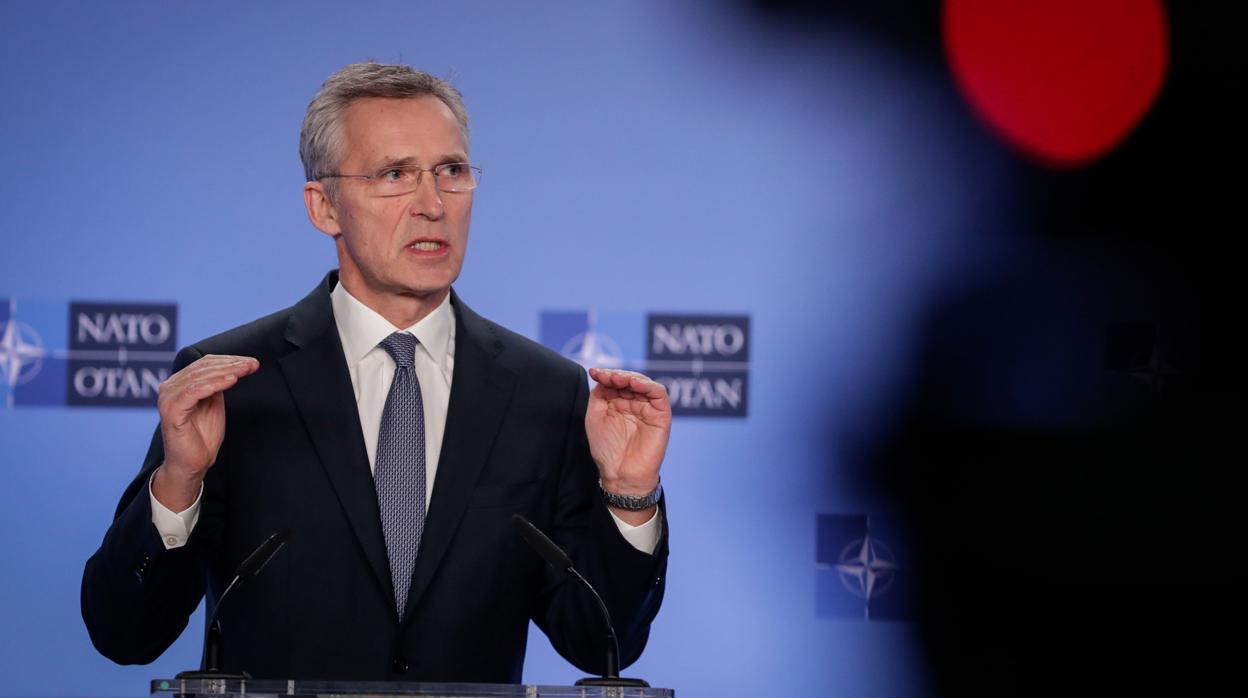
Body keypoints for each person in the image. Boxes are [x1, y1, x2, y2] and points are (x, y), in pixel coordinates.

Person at [81, 61, 670, 682]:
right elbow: (126, 633)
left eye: (451, 171)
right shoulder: (235, 383)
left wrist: (629, 497)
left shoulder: (544, 389)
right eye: (395, 174)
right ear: (324, 206)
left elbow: (601, 642)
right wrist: (180, 486)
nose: (432, 205)